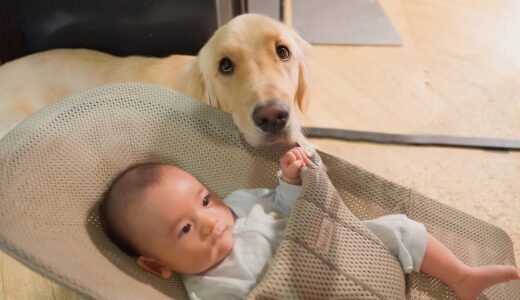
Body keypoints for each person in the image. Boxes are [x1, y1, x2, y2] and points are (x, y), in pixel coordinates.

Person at [100, 147, 520, 300]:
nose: (210, 222)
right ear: (158, 265)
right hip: (317, 290)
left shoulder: (241, 205)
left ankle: (460, 276)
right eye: (185, 230)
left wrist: (290, 179)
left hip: (345, 250)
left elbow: (289, 207)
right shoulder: (211, 287)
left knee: (400, 227)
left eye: (205, 201)